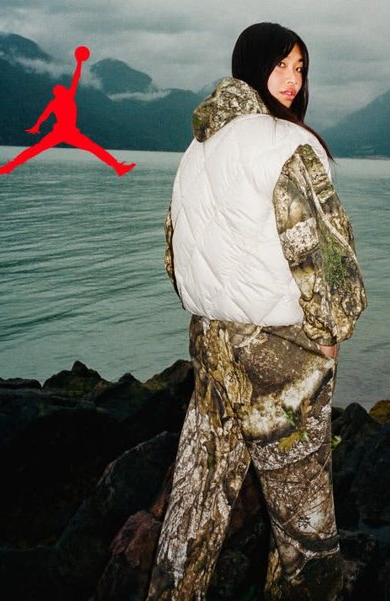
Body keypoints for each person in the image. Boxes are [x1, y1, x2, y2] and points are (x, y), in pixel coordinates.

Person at [151, 23, 367, 600]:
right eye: (281, 65)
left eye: (300, 67)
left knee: (196, 503)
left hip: (213, 346)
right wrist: (330, 332)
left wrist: (214, 312)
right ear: (251, 67)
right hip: (280, 355)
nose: (293, 80)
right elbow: (322, 253)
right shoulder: (285, 144)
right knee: (304, 520)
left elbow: (173, 251)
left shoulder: (195, 149)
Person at [0, 45, 135, 176]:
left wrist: (36, 126)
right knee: (94, 149)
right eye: (61, 90)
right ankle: (118, 167)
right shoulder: (66, 98)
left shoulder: (57, 101)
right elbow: (74, 80)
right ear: (59, 93)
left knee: (36, 150)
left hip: (66, 132)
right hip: (64, 132)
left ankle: (9, 167)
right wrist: (79, 63)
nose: (63, 90)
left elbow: (44, 116)